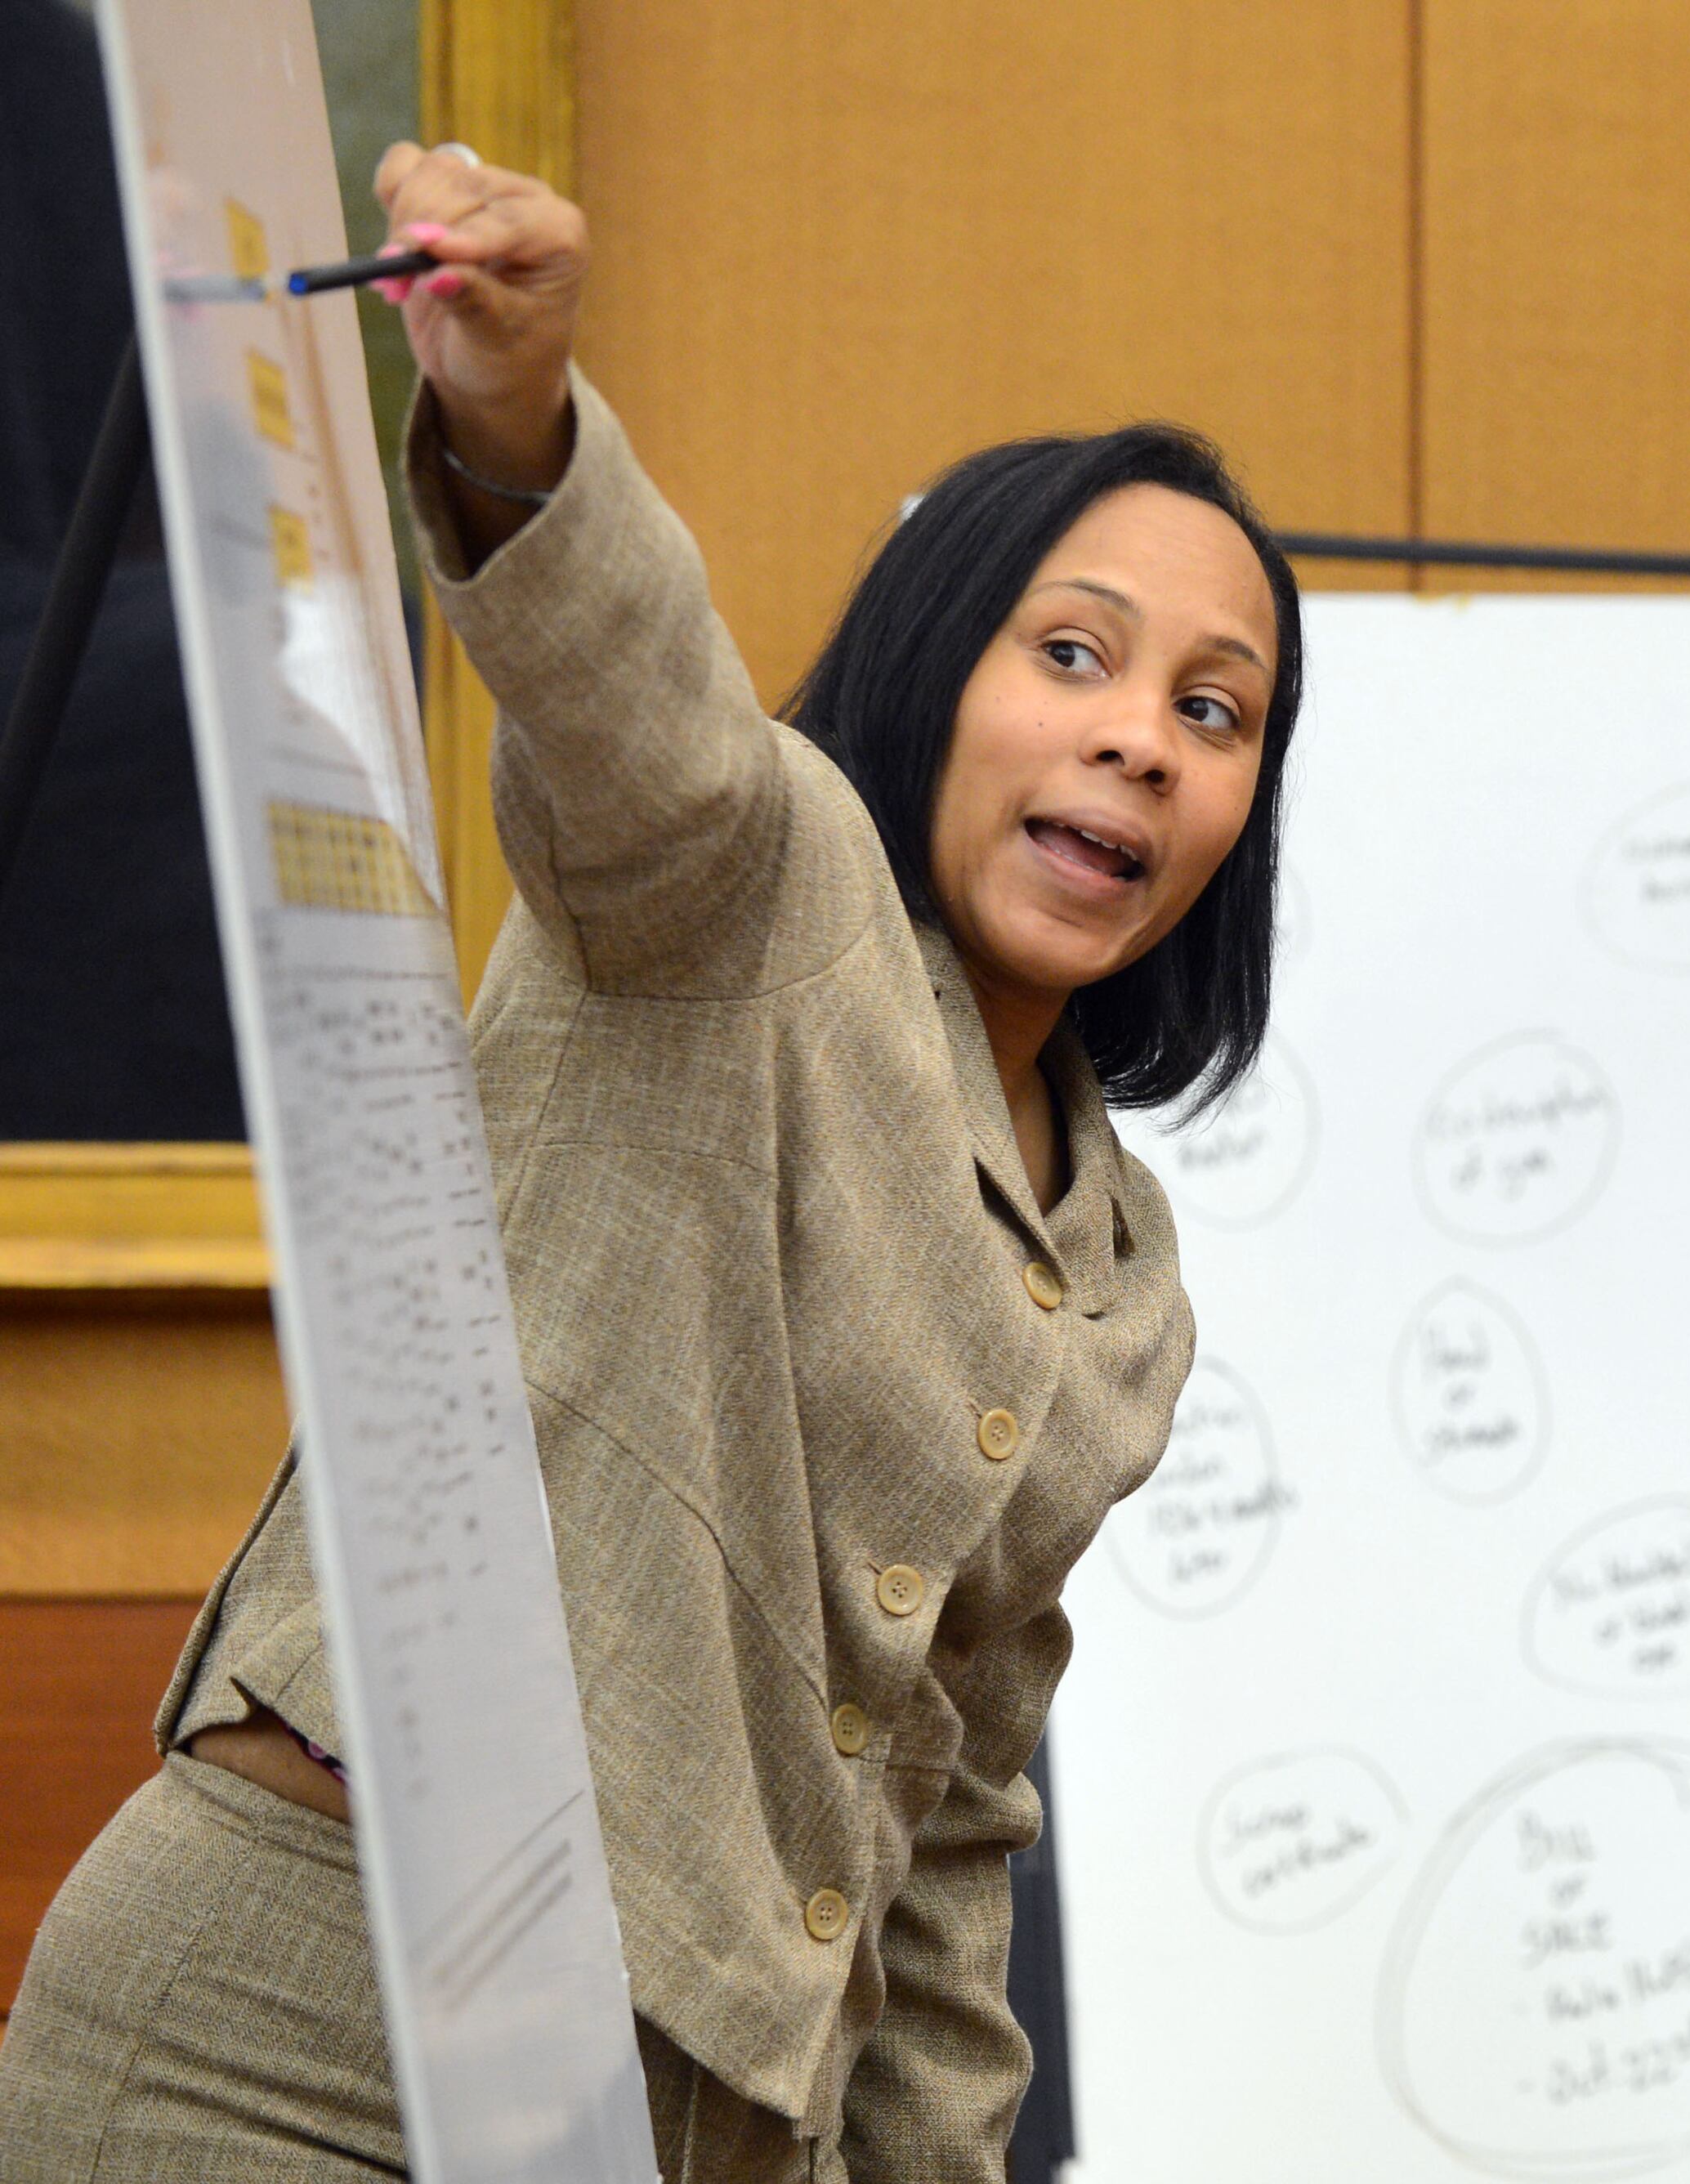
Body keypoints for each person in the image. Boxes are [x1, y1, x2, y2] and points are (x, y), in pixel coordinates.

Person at [0, 141, 1299, 2181]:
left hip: (694, 2130)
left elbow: (948, 1824)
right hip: (291, 2028)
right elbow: (632, 694)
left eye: (1215, 710)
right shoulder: (748, 881)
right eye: (1073, 653)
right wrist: (514, 411)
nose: (1142, 734)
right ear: (934, 666)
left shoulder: (1126, 1279)